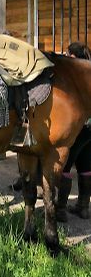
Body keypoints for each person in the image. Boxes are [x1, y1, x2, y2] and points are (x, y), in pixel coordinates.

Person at [56, 42, 91, 221]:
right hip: (90, 128)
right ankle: (83, 208)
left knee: (66, 164)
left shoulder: (76, 73)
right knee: (86, 164)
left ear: (71, 56)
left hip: (81, 126)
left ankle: (60, 210)